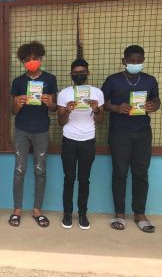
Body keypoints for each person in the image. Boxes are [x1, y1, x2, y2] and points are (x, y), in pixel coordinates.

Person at [102, 45, 160, 233]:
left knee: (141, 173)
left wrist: (153, 105)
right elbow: (102, 103)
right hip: (119, 132)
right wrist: (117, 108)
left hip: (143, 132)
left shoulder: (150, 80)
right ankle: (119, 214)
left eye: (139, 61)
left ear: (143, 61)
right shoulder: (113, 80)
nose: (136, 64)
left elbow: (157, 100)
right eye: (132, 61)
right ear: (124, 61)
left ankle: (139, 214)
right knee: (119, 172)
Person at [9, 41, 57, 228]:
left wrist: (49, 102)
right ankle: (17, 210)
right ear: (22, 62)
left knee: (40, 171)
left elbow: (54, 108)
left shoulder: (50, 79)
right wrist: (18, 103)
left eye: (35, 58)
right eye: (27, 59)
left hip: (41, 130)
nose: (32, 62)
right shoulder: (18, 82)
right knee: (19, 170)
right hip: (22, 130)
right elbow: (13, 111)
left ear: (41, 58)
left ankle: (37, 210)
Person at [57, 59, 104, 230]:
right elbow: (60, 122)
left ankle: (83, 214)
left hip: (88, 141)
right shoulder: (64, 94)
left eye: (82, 72)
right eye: (76, 73)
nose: (79, 75)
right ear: (71, 75)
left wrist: (97, 109)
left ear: (88, 73)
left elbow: (100, 120)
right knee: (69, 179)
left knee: (84, 180)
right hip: (69, 140)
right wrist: (67, 111)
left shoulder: (97, 93)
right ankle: (68, 214)